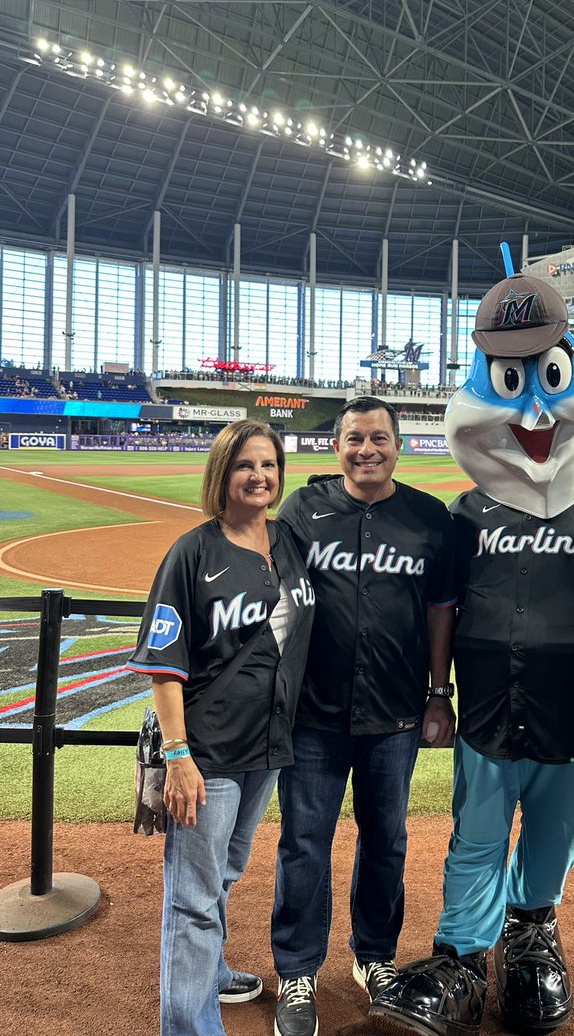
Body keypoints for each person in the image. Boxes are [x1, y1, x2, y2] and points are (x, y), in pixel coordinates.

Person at [370, 267, 574, 1036]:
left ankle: (531, 936)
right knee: (476, 834)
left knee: (556, 835)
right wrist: (436, 694)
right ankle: (461, 954)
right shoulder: (469, 510)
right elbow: (441, 608)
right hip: (490, 706)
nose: (533, 407)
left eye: (549, 378)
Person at [271, 395, 457, 1036]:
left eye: (379, 437)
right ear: (337, 446)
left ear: (398, 444)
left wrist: (440, 694)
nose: (366, 449)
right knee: (304, 842)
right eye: (355, 438)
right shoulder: (302, 511)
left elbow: (441, 613)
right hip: (312, 713)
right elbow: (272, 597)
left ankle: (374, 957)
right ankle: (297, 972)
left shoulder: (429, 519)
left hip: (395, 712)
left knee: (387, 841)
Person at [126, 420, 316, 1036]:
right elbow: (163, 662)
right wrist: (177, 755)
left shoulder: (287, 541)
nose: (259, 476)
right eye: (244, 466)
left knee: (223, 874)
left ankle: (206, 975)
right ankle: (189, 1025)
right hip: (206, 753)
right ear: (221, 475)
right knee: (193, 899)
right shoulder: (194, 552)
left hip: (266, 747)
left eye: (268, 464)